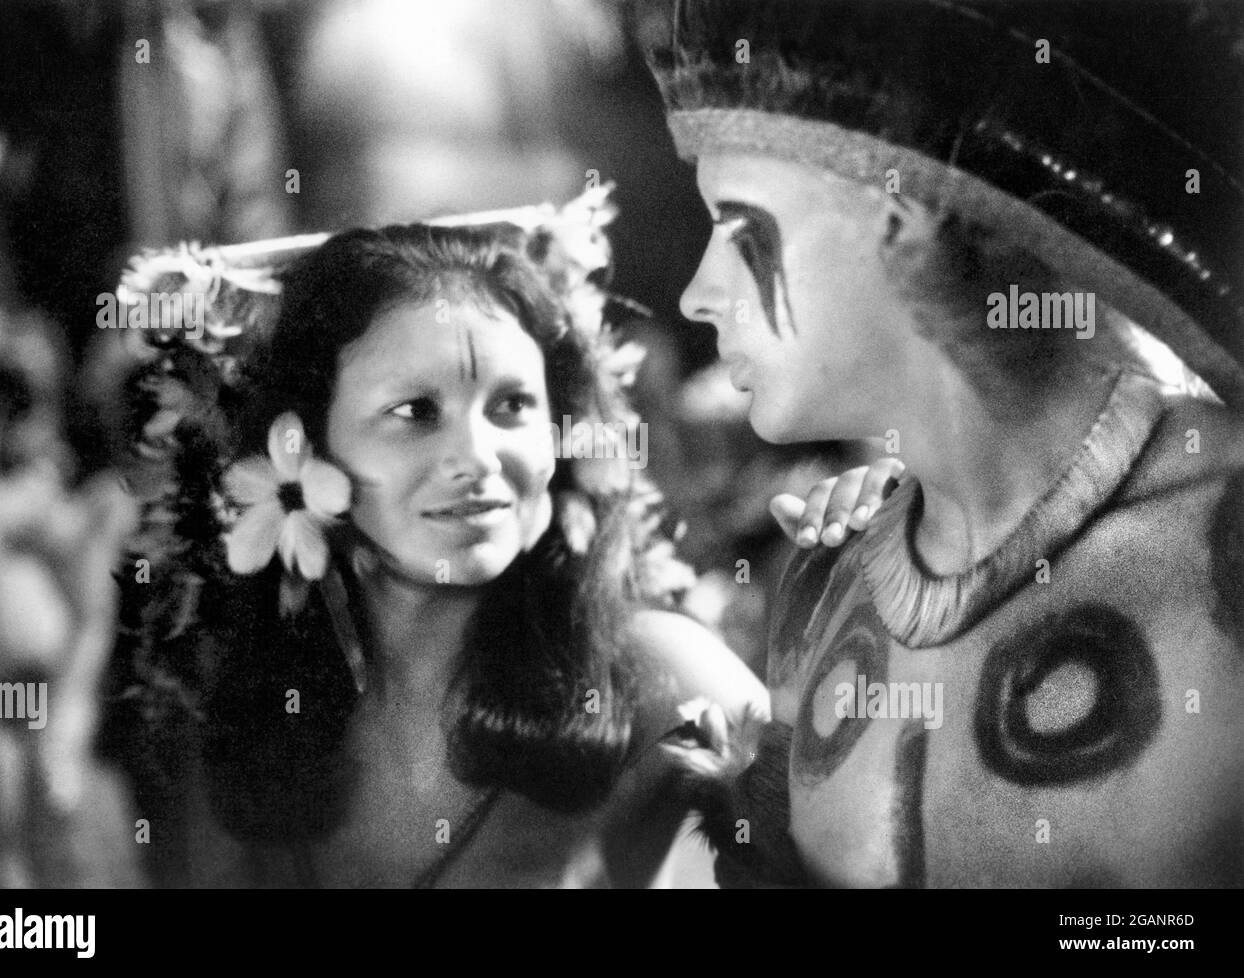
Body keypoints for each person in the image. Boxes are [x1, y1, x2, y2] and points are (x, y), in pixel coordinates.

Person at [643, 0, 1244, 886]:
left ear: (903, 212)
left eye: (741, 230)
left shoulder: (1225, 544)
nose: (698, 293)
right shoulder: (825, 579)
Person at [114, 221, 767, 888]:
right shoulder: (248, 713)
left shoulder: (658, 675)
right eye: (416, 412)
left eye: (512, 406)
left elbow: (853, 841)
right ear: (301, 447)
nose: (477, 459)